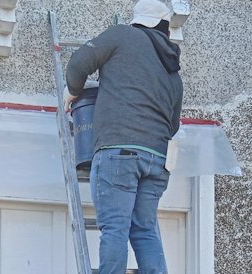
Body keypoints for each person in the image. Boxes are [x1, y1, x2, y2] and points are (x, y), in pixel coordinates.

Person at [63, 0, 183, 272]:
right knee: (145, 230)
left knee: (115, 227)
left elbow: (80, 61)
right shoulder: (173, 70)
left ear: (138, 21)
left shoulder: (122, 35)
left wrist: (72, 89)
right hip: (158, 160)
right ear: (165, 30)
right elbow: (172, 124)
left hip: (119, 153)